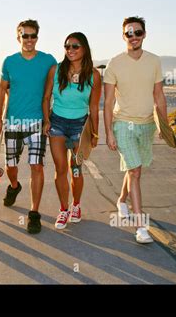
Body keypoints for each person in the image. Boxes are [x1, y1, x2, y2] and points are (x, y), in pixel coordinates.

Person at [103, 16, 167, 244]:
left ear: (144, 34)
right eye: (128, 33)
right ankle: (141, 227)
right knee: (135, 172)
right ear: (123, 36)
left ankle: (122, 199)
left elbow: (158, 95)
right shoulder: (114, 63)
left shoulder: (154, 61)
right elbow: (108, 102)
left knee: (135, 169)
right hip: (123, 124)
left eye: (137, 32)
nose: (133, 37)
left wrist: (164, 125)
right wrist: (109, 132)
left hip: (147, 124)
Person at [0, 19, 57, 234]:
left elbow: (57, 85)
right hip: (13, 121)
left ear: (37, 38)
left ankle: (34, 213)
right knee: (11, 166)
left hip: (37, 122)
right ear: (18, 37)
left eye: (33, 36)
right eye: (25, 36)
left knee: (36, 166)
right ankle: (14, 186)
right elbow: (1, 89)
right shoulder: (9, 62)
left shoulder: (48, 61)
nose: (29, 40)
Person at [42, 32, 102, 230]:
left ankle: (76, 205)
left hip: (80, 127)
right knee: (60, 169)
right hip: (57, 123)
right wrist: (46, 121)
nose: (70, 50)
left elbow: (94, 107)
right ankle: (63, 209)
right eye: (67, 46)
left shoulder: (93, 75)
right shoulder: (56, 70)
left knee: (75, 169)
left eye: (75, 46)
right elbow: (46, 97)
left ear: (84, 48)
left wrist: (95, 132)